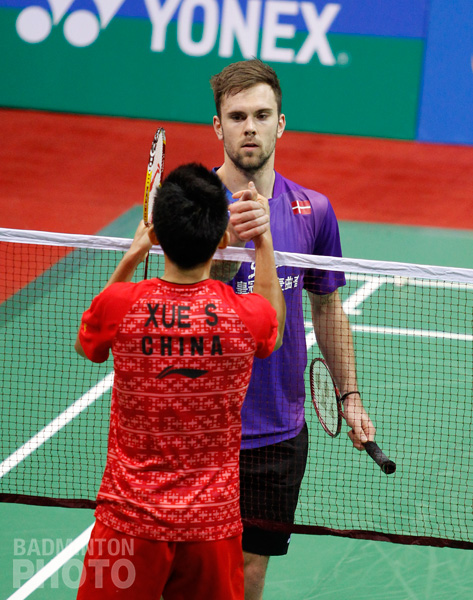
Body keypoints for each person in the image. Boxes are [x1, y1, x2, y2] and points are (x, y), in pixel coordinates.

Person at [74, 163, 286, 600]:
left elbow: (87, 344)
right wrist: (262, 239)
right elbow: (274, 328)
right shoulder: (244, 316)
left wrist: (134, 254)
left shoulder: (121, 305)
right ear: (221, 238)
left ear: (159, 234)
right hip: (212, 527)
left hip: (128, 522)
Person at [209, 59, 376, 600]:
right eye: (237, 116)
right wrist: (229, 247)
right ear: (218, 126)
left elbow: (327, 307)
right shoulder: (189, 204)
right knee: (188, 566)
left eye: (262, 115)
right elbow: (167, 298)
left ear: (281, 124)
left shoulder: (314, 210)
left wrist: (349, 394)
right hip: (198, 424)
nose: (250, 128)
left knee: (250, 567)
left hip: (277, 429)